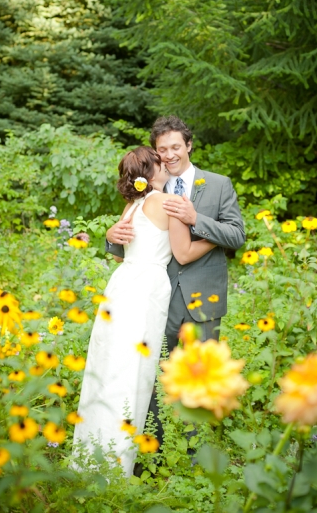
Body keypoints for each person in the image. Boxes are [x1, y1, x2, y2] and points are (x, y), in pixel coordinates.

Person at [72, 146, 216, 477]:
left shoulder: (133, 204)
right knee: (136, 370)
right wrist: (216, 238)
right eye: (157, 159)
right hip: (147, 289)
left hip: (122, 285)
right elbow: (182, 252)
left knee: (111, 367)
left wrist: (111, 235)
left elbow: (120, 255)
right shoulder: (164, 202)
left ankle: (92, 453)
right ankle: (116, 465)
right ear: (150, 173)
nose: (165, 161)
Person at [106, 116, 246, 444]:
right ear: (155, 154)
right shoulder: (151, 183)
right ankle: (152, 445)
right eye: (161, 149)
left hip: (205, 296)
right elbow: (130, 231)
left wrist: (197, 219)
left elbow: (237, 234)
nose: (169, 155)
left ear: (189, 145)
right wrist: (110, 235)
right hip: (158, 297)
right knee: (152, 372)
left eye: (175, 147)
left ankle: (199, 450)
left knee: (204, 374)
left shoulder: (218, 184)